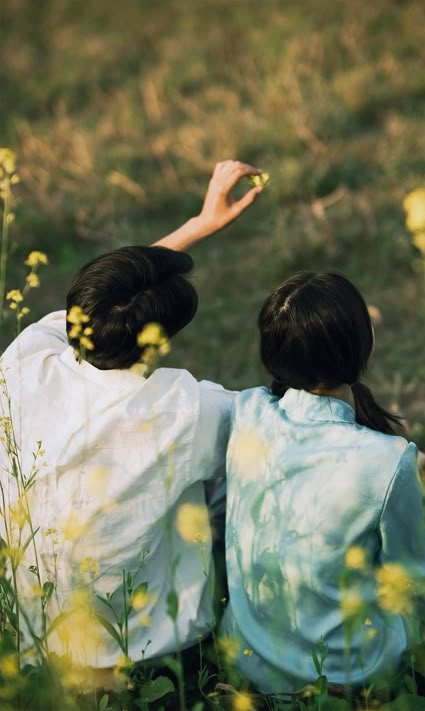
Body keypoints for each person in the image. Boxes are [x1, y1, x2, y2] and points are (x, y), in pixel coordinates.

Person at [0, 160, 263, 674]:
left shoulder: (23, 364)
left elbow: (109, 304)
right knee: (240, 483)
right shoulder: (185, 408)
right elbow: (284, 426)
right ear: (158, 341)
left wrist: (197, 225)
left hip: (35, 645)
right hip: (152, 661)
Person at [221, 271, 425, 692]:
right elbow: (411, 578)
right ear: (363, 344)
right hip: (346, 670)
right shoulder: (388, 460)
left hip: (247, 659)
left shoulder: (248, 411)